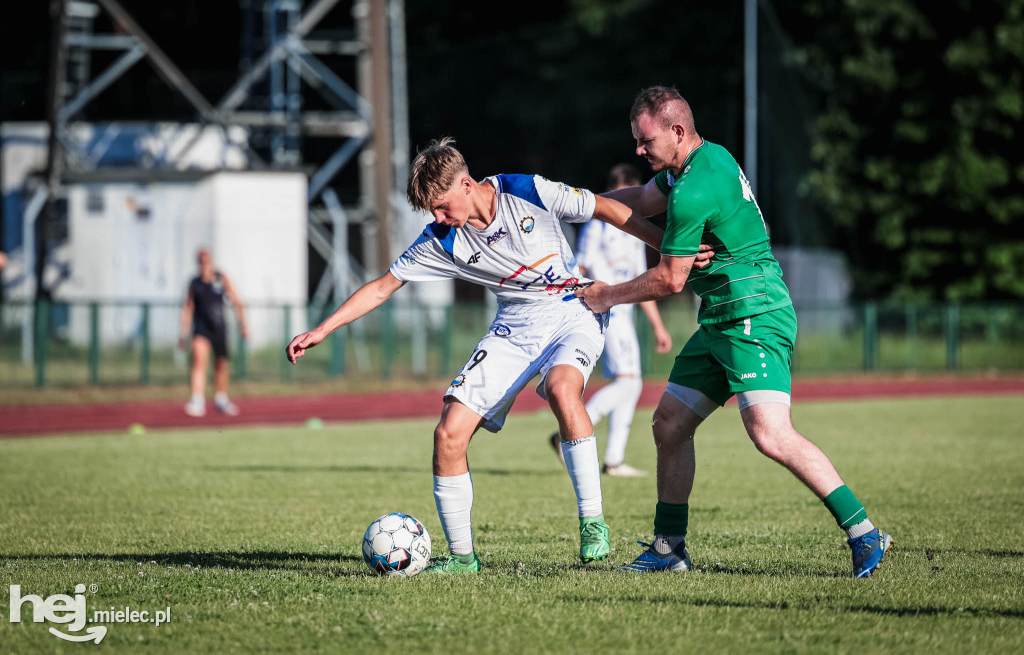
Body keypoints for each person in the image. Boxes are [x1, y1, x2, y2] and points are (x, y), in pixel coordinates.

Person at [286, 137, 665, 573]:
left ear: (466, 185)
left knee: (563, 389)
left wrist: (672, 250)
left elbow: (606, 208)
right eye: (431, 211)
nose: (438, 218)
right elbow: (382, 286)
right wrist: (323, 328)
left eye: (442, 206)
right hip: (514, 326)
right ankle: (463, 559)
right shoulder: (442, 239)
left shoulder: (528, 191)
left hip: (573, 310)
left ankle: (593, 520)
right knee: (448, 433)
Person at [578, 86, 892, 577]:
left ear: (677, 131)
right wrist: (575, 201)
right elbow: (640, 199)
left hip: (753, 313)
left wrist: (604, 296)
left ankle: (865, 533)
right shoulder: (699, 161)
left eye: (646, 140)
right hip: (722, 316)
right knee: (669, 424)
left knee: (769, 432)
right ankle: (669, 550)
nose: (639, 151)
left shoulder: (695, 187)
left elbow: (670, 277)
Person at [549, 163, 674, 477]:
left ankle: (614, 459)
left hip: (626, 314)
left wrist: (658, 325)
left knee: (631, 385)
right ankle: (569, 432)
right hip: (606, 312)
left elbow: (640, 280)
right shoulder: (597, 226)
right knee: (628, 382)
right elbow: (583, 268)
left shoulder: (633, 230)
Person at [178, 248, 248, 417]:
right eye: (201, 261)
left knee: (221, 365)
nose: (204, 264)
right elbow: (188, 308)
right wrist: (183, 333)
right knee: (199, 363)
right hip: (201, 329)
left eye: (206, 260)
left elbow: (237, 301)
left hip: (220, 328)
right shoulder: (194, 283)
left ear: (211, 261)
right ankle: (197, 400)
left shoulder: (221, 279)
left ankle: (221, 399)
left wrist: (243, 325)